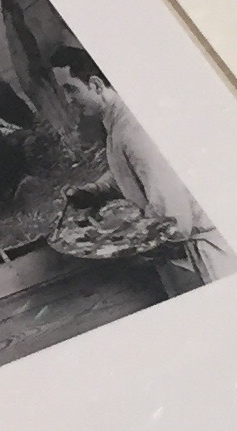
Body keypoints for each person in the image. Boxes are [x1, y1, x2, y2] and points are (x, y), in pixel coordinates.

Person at [46, 46, 225, 291]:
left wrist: (132, 239)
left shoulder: (132, 130)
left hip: (211, 252)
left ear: (96, 84)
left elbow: (172, 212)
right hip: (190, 246)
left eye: (71, 89)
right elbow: (131, 169)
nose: (68, 100)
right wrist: (95, 191)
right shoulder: (117, 123)